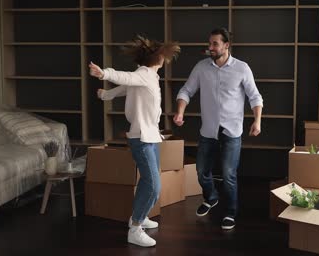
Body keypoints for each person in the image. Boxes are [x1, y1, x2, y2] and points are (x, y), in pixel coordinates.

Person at [89, 35, 180, 247]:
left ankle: (139, 216)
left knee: (147, 181)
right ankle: (135, 229)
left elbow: (126, 87)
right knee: (154, 186)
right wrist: (104, 73)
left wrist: (106, 95)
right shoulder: (144, 74)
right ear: (158, 58)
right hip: (141, 138)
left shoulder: (150, 77)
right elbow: (126, 79)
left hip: (151, 136)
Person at [173, 28, 263, 230]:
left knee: (228, 173)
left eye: (215, 44)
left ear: (226, 45)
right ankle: (211, 197)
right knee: (201, 171)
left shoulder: (242, 68)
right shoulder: (202, 67)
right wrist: (180, 111)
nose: (210, 48)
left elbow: (255, 96)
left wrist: (257, 120)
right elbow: (186, 90)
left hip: (232, 131)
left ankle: (230, 212)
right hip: (209, 130)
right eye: (210, 43)